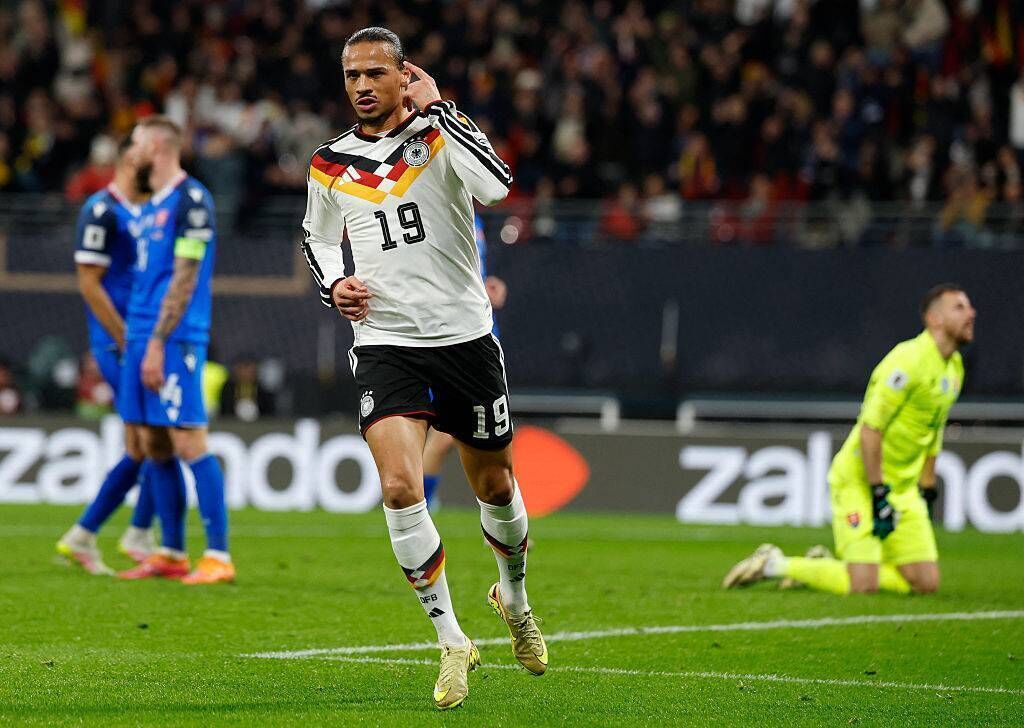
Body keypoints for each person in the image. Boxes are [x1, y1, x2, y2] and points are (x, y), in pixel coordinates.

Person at [301, 27, 546, 710]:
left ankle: (515, 600)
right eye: (351, 74)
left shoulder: (440, 136)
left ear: (404, 75)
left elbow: (496, 188)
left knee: (494, 484)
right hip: (385, 342)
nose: (360, 85)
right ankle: (451, 641)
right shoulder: (330, 162)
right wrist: (334, 284)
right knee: (401, 485)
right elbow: (318, 237)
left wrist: (442, 109)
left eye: (375, 72)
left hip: (464, 338)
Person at [723, 284, 975, 596]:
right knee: (863, 586)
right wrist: (878, 491)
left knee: (926, 584)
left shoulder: (954, 368)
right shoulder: (907, 361)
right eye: (960, 307)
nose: (971, 313)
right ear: (934, 319)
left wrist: (927, 485)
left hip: (904, 489)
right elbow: (871, 429)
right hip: (860, 481)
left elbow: (935, 427)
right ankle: (774, 564)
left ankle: (823, 569)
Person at [115, 116, 234, 585]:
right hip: (142, 334)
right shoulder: (149, 204)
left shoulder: (192, 201)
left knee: (188, 440)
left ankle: (219, 556)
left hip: (175, 336)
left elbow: (185, 277)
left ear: (160, 147)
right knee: (151, 441)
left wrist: (159, 343)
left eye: (138, 143)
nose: (131, 151)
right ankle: (170, 551)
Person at [57, 135, 158, 575]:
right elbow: (89, 283)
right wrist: (123, 336)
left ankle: (89, 534)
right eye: (141, 153)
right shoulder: (101, 209)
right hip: (117, 341)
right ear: (123, 159)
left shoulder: (150, 209)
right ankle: (136, 533)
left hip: (141, 336)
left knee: (146, 443)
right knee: (156, 439)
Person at [422, 214, 507, 507]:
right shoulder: (439, 206)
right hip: (452, 336)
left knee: (492, 432)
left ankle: (500, 521)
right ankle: (422, 514)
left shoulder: (476, 218)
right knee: (447, 434)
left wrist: (487, 284)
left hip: (481, 331)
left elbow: (471, 267)